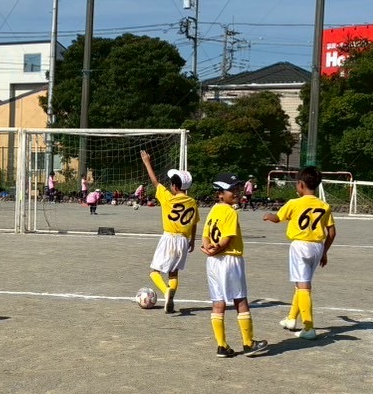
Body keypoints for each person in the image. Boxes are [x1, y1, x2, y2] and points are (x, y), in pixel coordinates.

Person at [263, 165, 336, 340]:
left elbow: (278, 218)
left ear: (301, 184)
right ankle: (291, 319)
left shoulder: (294, 203)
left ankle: (308, 327)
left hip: (300, 246)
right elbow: (332, 232)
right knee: (301, 282)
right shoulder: (324, 206)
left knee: (303, 286)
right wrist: (324, 252)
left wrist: (268, 216)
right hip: (317, 246)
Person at [202, 175, 269, 358]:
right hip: (230, 260)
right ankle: (248, 343)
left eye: (238, 189)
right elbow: (227, 238)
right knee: (240, 300)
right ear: (220, 194)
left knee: (218, 303)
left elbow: (206, 234)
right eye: (232, 190)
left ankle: (222, 346)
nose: (237, 192)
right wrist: (217, 249)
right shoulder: (231, 212)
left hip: (213, 262)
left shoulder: (214, 209)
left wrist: (208, 249)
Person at [140, 150, 197, 315]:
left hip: (169, 238)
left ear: (174, 186)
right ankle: (169, 300)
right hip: (184, 240)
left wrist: (147, 162)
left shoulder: (168, 198)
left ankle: (166, 292)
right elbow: (194, 223)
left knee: (154, 272)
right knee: (173, 273)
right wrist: (193, 240)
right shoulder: (192, 202)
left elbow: (155, 181)